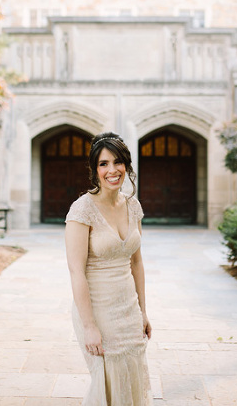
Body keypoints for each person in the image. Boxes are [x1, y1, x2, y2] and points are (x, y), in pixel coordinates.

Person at [64, 132, 152, 405]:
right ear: (95, 169)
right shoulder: (82, 210)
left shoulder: (133, 205)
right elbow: (76, 271)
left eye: (117, 162)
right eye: (103, 164)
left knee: (132, 375)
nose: (112, 170)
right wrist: (89, 326)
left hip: (128, 308)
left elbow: (136, 263)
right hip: (98, 309)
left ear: (126, 165)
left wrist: (143, 311)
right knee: (107, 381)